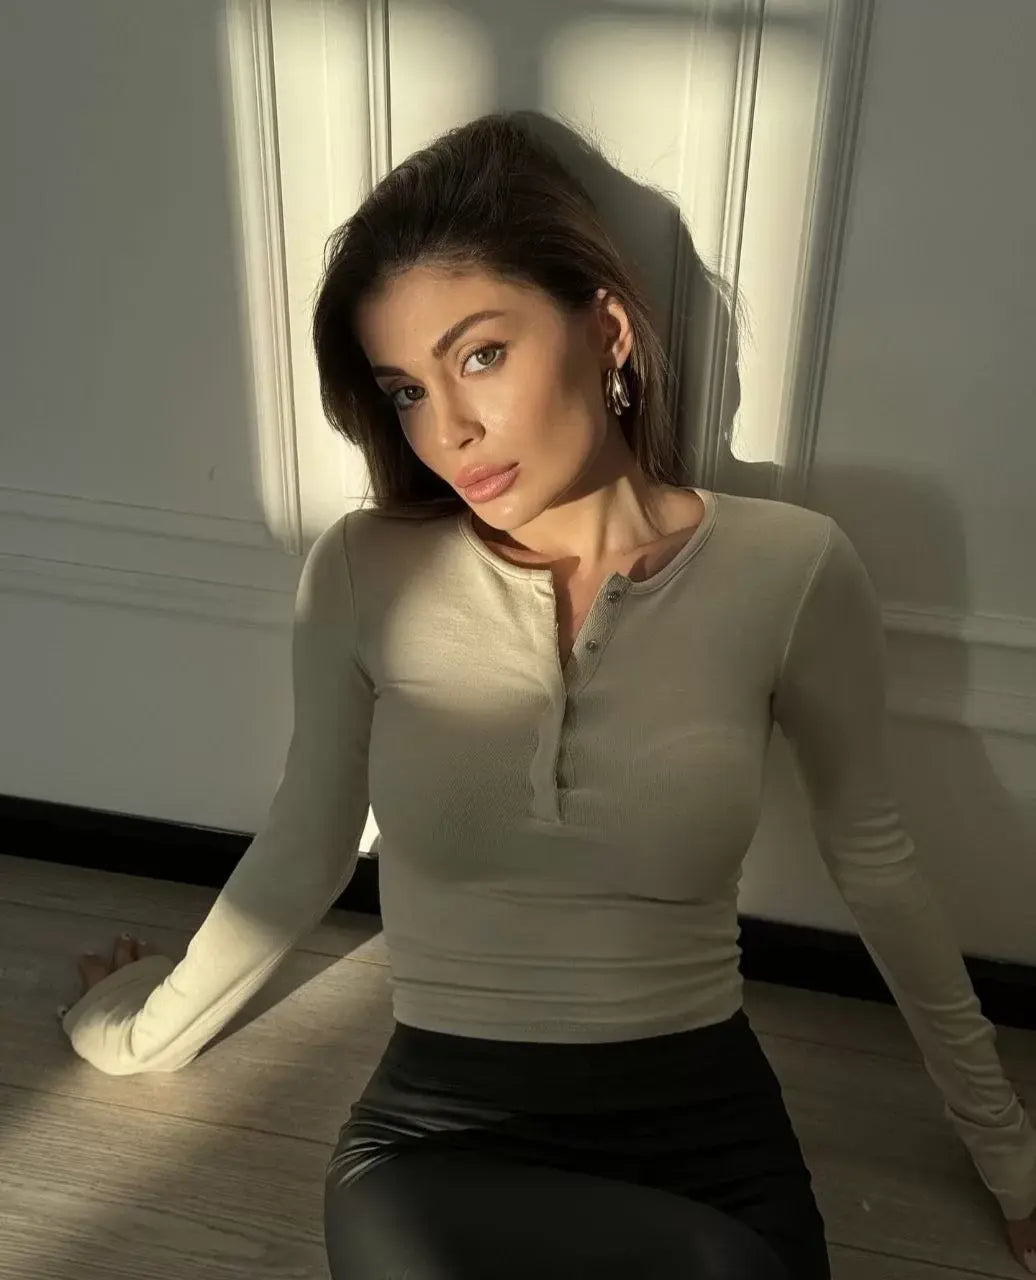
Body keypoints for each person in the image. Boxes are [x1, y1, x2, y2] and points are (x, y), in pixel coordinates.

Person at [62, 112, 1036, 1279]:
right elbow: (303, 847)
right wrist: (130, 1029)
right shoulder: (366, 569)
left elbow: (874, 861)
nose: (448, 429)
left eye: (480, 355)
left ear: (607, 332)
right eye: (405, 389)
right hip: (437, 1141)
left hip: (704, 1132)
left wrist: (1012, 1157)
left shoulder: (788, 567)